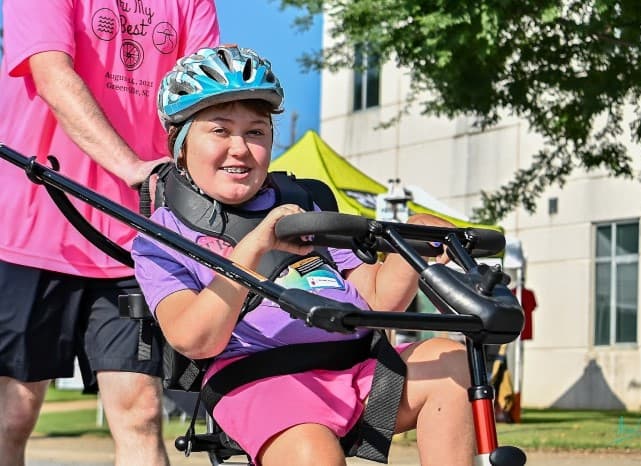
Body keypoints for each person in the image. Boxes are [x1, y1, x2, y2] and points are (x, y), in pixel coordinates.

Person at [132, 44, 476, 466]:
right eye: (219, 130)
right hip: (260, 379)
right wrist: (256, 246)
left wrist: (413, 243)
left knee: (449, 359)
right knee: (313, 453)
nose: (240, 148)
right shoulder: (162, 235)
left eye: (256, 132)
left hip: (359, 369)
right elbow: (194, 340)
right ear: (181, 145)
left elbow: (377, 299)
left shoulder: (306, 202)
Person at [0, 1, 219, 465]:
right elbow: (52, 74)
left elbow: (204, 98)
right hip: (31, 230)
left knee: (140, 412)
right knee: (11, 413)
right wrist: (131, 168)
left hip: (134, 239)